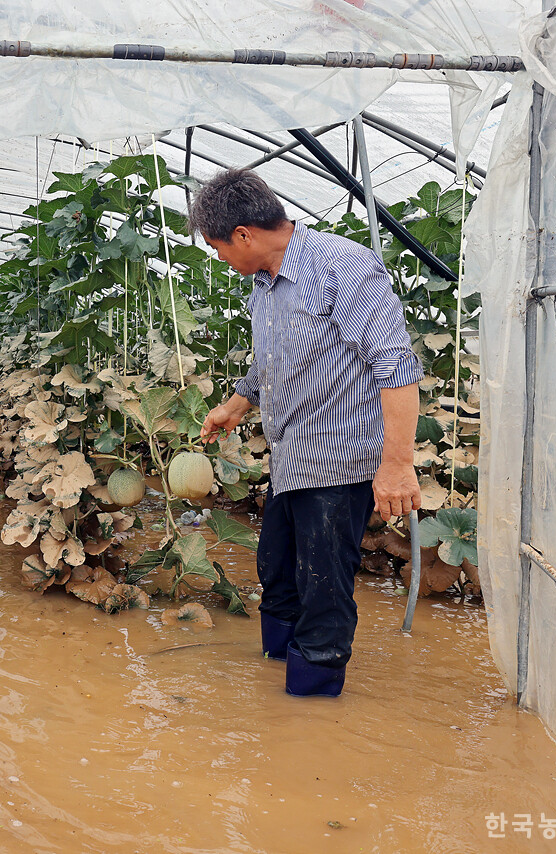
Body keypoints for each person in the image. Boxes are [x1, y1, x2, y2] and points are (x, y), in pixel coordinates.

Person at [192, 168, 422, 698]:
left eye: (218, 246)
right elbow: (268, 359)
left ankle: (311, 711)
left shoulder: (340, 266)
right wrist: (236, 403)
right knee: (276, 577)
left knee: (324, 591)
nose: (220, 258)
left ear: (245, 235)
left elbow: (397, 368)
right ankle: (277, 678)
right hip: (290, 460)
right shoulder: (263, 283)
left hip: (339, 463)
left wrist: (397, 464)